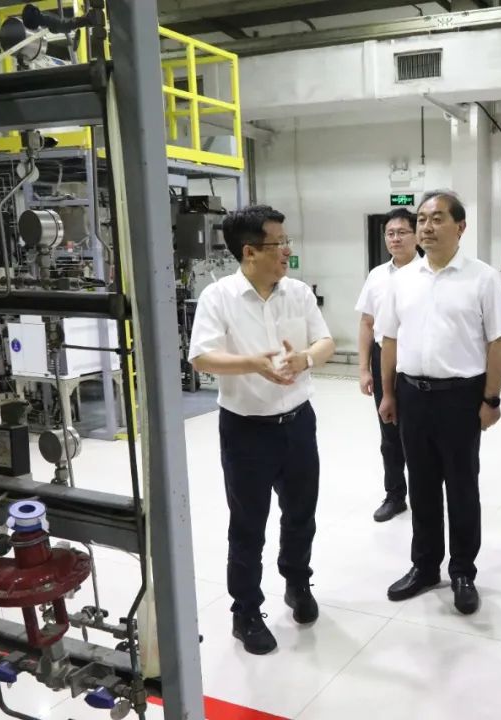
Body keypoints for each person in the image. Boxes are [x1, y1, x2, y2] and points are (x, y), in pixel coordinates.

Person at [189, 205, 336, 655]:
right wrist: (252, 363)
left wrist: (305, 358)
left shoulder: (298, 293)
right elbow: (201, 356)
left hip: (298, 423)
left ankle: (297, 583)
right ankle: (246, 612)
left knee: (301, 514)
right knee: (248, 525)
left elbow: (326, 342)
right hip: (246, 431)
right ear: (249, 251)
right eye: (279, 243)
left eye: (287, 242)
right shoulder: (218, 298)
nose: (287, 251)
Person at [376, 189, 501, 615]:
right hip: (411, 395)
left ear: (461, 227)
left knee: (461, 486)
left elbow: (498, 342)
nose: (426, 227)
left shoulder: (482, 278)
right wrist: (388, 393)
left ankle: (463, 571)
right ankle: (424, 566)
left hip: (460, 397)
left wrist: (491, 398)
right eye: (422, 219)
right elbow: (389, 339)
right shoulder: (401, 280)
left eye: (437, 219)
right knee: (420, 485)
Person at [355, 208, 421, 523]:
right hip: (384, 358)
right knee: (389, 431)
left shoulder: (428, 273)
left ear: (416, 236)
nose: (395, 238)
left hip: (416, 359)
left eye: (402, 232)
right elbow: (367, 323)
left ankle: (424, 494)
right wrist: (363, 369)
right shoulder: (377, 276)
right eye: (390, 233)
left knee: (419, 433)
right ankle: (395, 495)